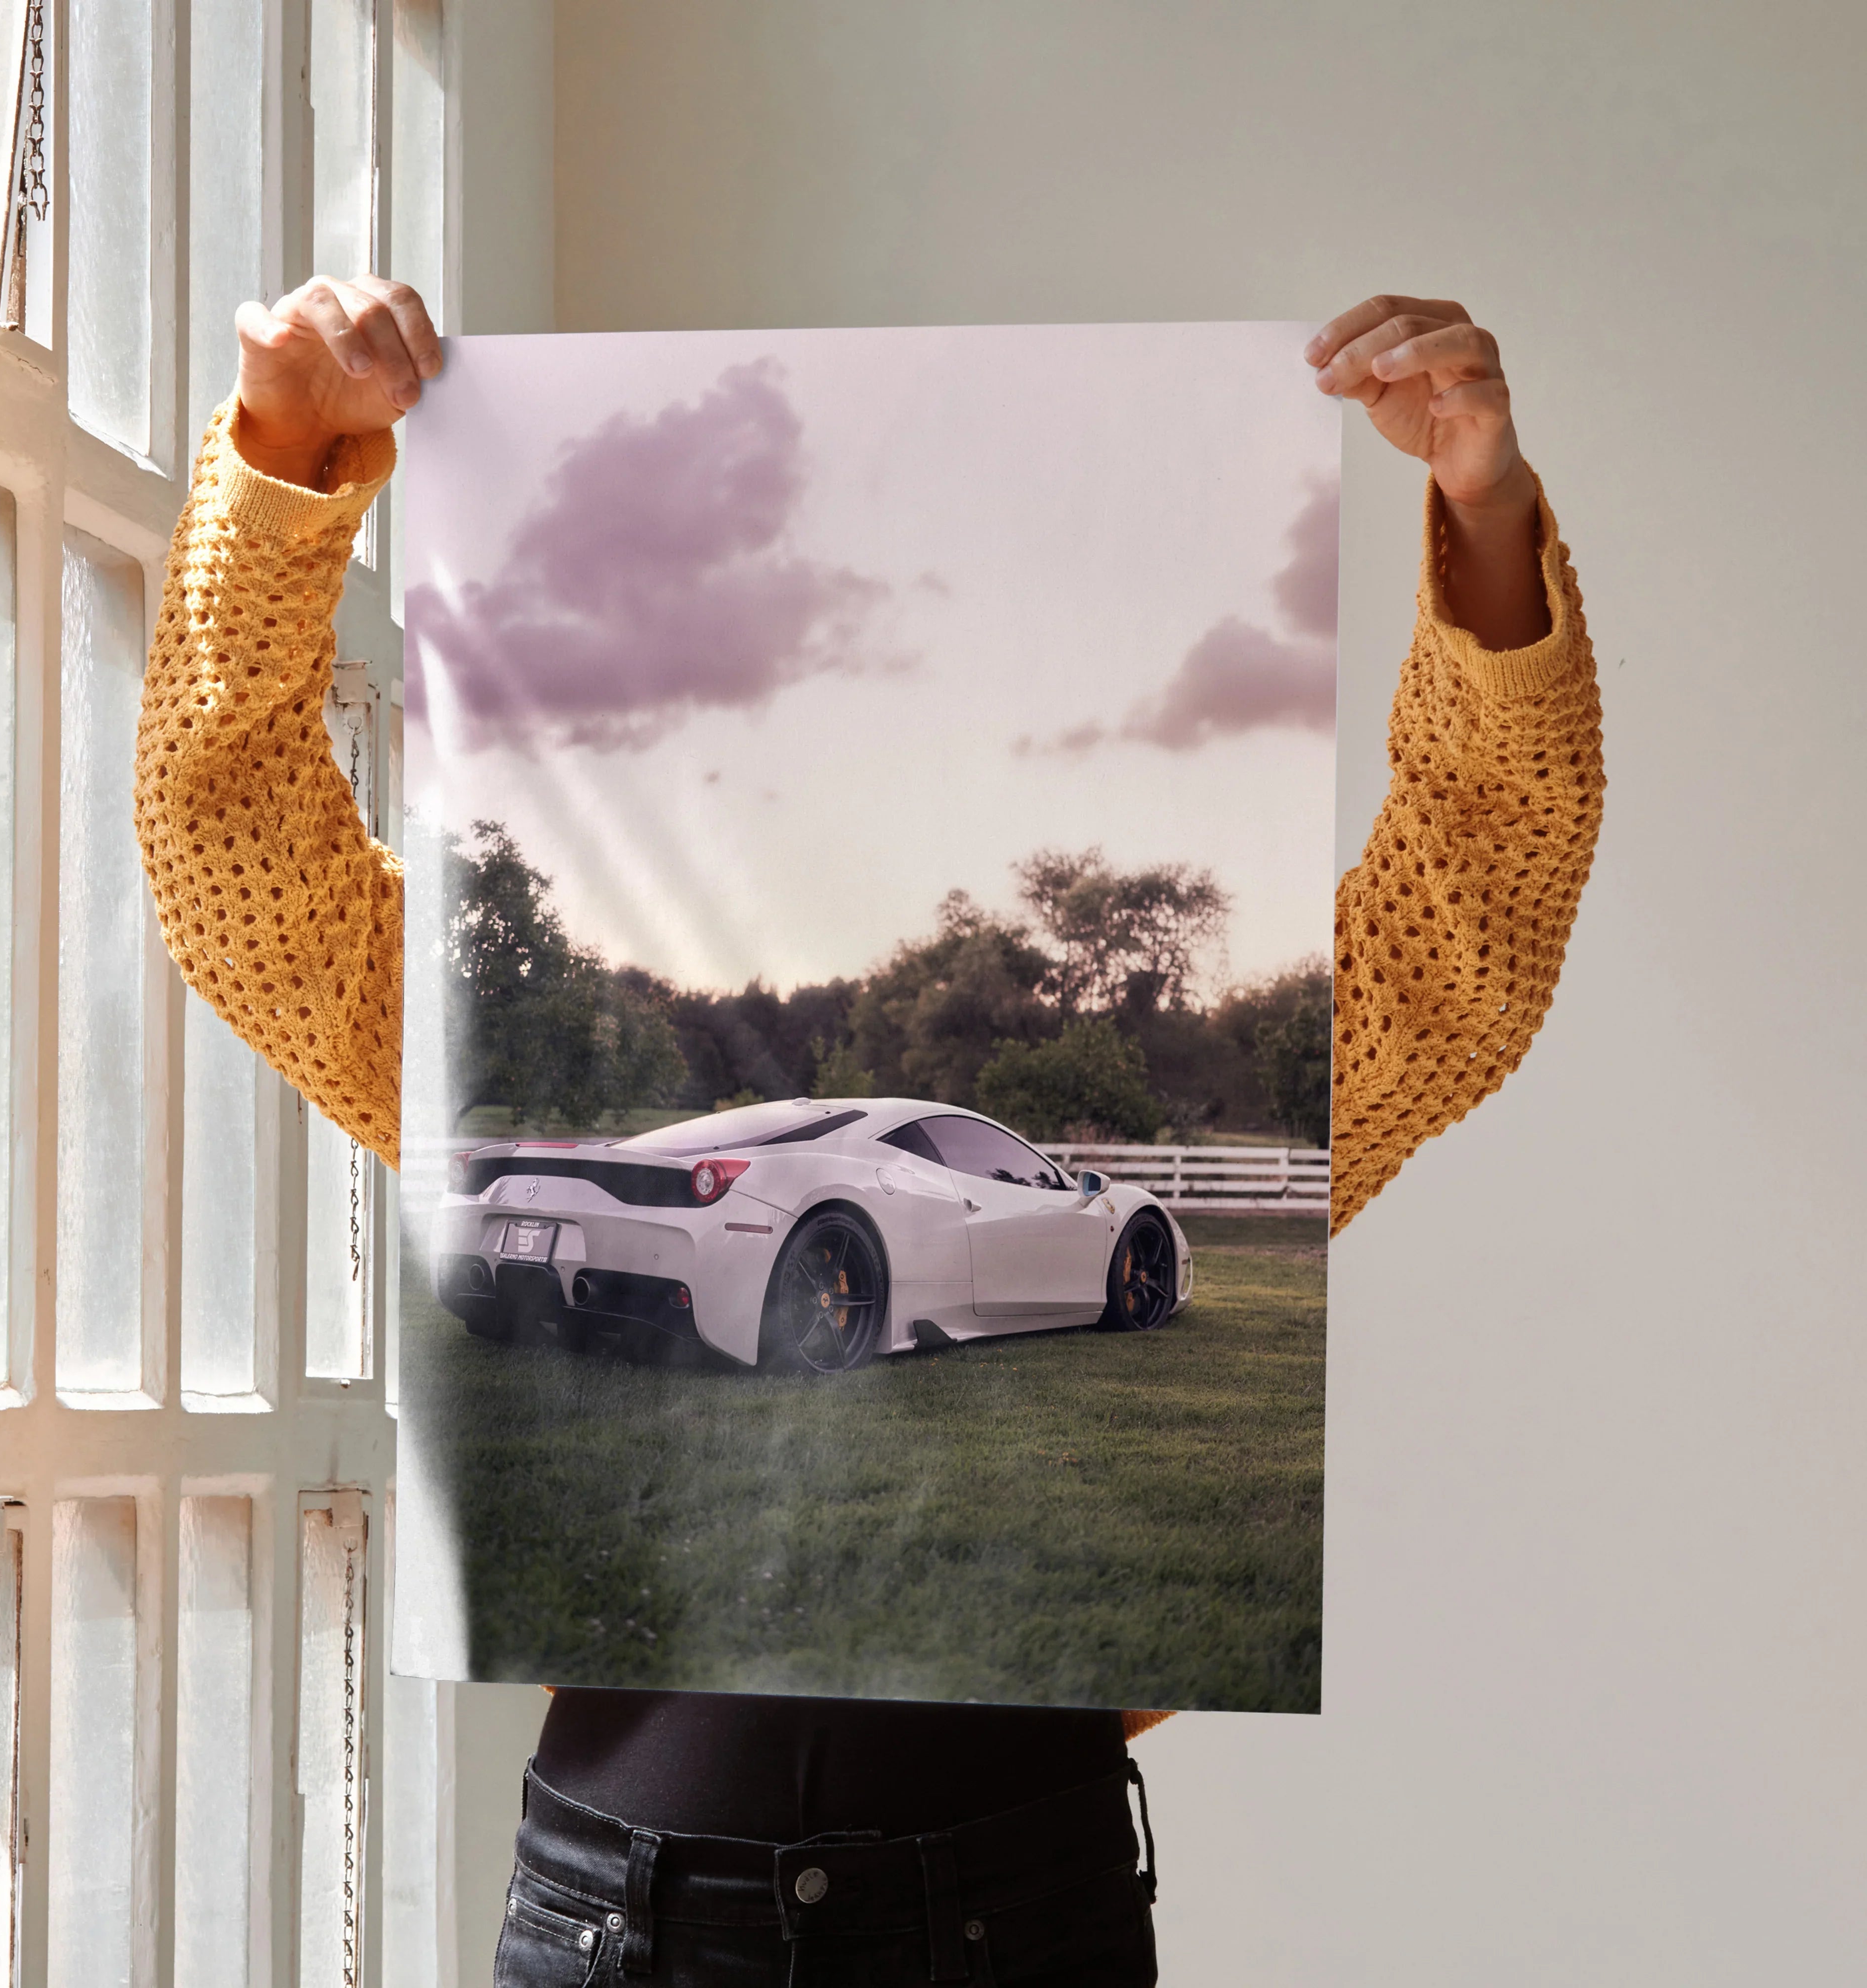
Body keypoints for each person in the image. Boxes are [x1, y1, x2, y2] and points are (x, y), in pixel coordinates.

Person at [136, 277, 1601, 1985]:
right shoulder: (522, 1050)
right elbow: (234, 859)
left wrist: (1486, 513)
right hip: (644, 1916)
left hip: (986, 1903)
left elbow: (1471, 926)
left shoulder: (974, 1114)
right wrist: (282, 458)